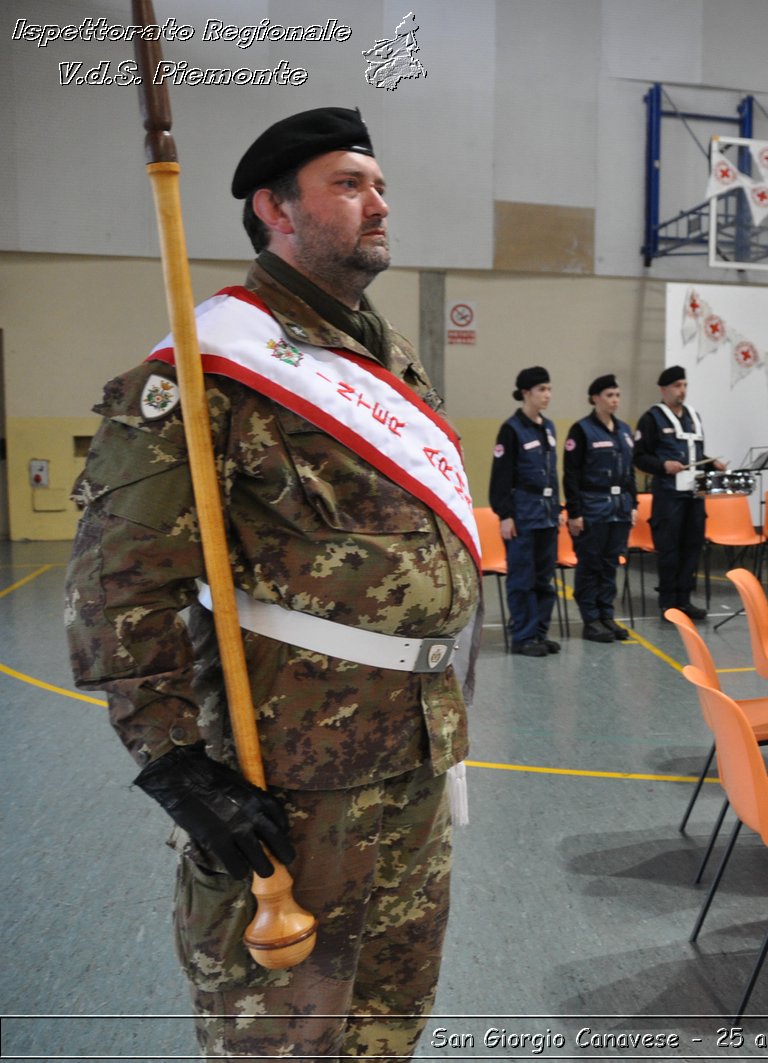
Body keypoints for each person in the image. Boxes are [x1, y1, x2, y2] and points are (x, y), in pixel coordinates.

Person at [64, 107, 478, 1058]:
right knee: (283, 1034)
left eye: (378, 185)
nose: (378, 203)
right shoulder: (209, 367)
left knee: (388, 1016)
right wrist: (176, 767)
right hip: (291, 781)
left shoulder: (387, 357)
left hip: (413, 754)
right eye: (349, 184)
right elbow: (118, 586)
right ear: (274, 209)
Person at [634, 365, 724, 620]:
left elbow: (694, 456)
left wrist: (710, 462)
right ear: (663, 389)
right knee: (670, 549)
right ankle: (668, 602)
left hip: (695, 495)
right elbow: (639, 458)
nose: (681, 391)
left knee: (692, 547)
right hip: (669, 495)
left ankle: (684, 599)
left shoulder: (694, 416)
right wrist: (663, 466)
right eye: (676, 386)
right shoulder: (652, 418)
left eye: (684, 385)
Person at [489, 367, 561, 656]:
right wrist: (505, 515)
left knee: (544, 578)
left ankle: (539, 633)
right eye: (541, 389)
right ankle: (523, 636)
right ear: (525, 393)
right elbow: (501, 477)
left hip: (547, 514)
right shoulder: (511, 429)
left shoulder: (549, 427)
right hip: (522, 515)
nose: (547, 395)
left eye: (549, 389)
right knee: (522, 578)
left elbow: (551, 474)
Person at [565, 374, 637, 643]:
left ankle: (607, 615)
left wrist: (634, 503)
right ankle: (591, 619)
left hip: (619, 509)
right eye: (609, 395)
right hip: (593, 508)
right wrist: (574, 512)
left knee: (610, 565)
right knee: (591, 564)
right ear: (595, 398)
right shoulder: (582, 430)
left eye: (617, 395)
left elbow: (629, 471)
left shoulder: (624, 431)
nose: (615, 400)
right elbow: (571, 474)